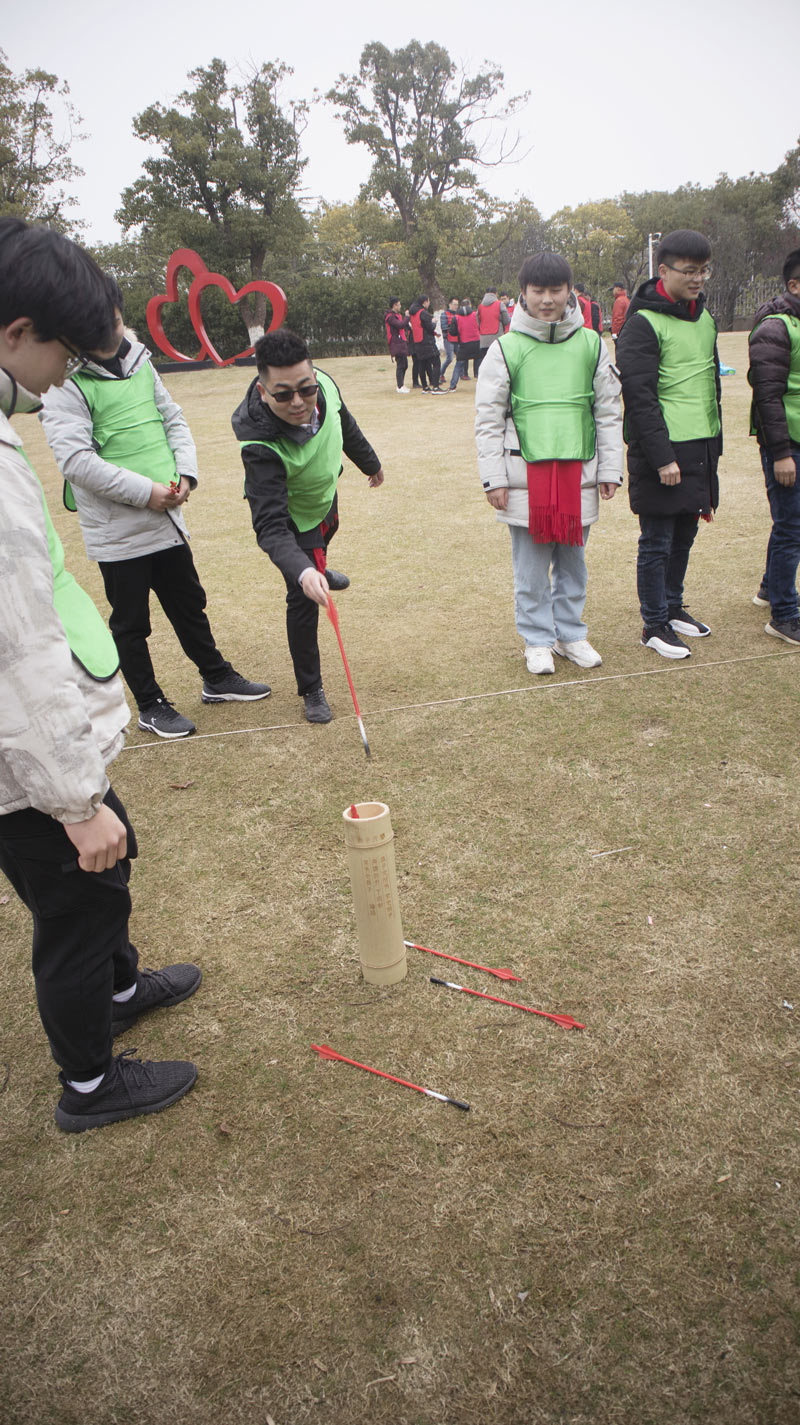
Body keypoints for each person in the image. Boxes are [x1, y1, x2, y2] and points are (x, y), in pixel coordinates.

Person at [0, 218, 200, 1133]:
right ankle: (89, 1084)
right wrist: (76, 799)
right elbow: (18, 652)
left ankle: (119, 988)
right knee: (79, 895)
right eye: (64, 352)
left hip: (41, 743)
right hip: (26, 756)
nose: (68, 373)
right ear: (16, 332)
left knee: (111, 865)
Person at [40, 281, 271, 739]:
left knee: (189, 603)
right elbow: (76, 461)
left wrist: (185, 474)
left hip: (166, 516)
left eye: (115, 320)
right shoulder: (62, 379)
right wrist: (145, 492)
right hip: (117, 529)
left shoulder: (140, 358)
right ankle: (149, 703)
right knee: (131, 622)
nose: (110, 333)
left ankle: (216, 677)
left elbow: (173, 418)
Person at [476, 251, 622, 673]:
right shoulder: (506, 347)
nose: (546, 299)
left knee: (574, 563)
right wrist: (494, 478)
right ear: (523, 293)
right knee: (532, 568)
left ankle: (570, 634)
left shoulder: (592, 343)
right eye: (537, 290)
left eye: (555, 290)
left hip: (580, 472)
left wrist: (611, 469)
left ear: (569, 291)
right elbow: (488, 419)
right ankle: (537, 639)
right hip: (525, 476)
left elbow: (608, 410)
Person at [232, 328, 385, 724]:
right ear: (264, 392)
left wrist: (370, 463)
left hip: (325, 504)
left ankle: (318, 567)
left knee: (322, 547)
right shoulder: (259, 447)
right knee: (303, 600)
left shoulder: (327, 389)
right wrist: (301, 570)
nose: (299, 402)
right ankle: (311, 688)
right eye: (283, 395)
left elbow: (344, 423)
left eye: (306, 388)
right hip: (294, 524)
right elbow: (269, 526)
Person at [616, 230, 721, 659]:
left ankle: (674, 607)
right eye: (689, 271)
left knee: (686, 532)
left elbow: (710, 383)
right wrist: (662, 458)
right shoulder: (642, 323)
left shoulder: (705, 317)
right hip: (663, 450)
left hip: (700, 444)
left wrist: (715, 444)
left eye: (703, 271)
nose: (698, 279)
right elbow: (639, 398)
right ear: (663, 271)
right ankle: (653, 623)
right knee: (657, 539)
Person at [747, 247, 800, 646]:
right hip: (788, 445)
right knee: (791, 526)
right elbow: (767, 396)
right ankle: (784, 613)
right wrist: (781, 453)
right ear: (794, 284)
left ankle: (769, 588)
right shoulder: (775, 328)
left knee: (790, 522)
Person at [408, 297, 441, 392]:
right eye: (428, 301)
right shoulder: (423, 313)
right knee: (436, 363)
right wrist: (434, 322)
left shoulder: (413, 314)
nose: (429, 303)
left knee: (422, 363)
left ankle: (425, 387)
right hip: (427, 342)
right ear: (424, 302)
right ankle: (435, 387)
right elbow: (430, 327)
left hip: (417, 342)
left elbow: (420, 327)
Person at [449, 302, 481, 391]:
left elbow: (452, 332)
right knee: (480, 365)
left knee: (458, 365)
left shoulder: (456, 318)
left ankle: (452, 386)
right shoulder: (475, 315)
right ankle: (482, 384)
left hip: (464, 344)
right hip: (476, 343)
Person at [476, 287, 511, 370]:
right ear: (496, 294)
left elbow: (478, 322)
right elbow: (506, 321)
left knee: (486, 364)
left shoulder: (480, 306)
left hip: (483, 340)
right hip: (497, 338)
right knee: (498, 365)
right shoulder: (500, 304)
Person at [385, 297, 410, 393]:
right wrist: (407, 317)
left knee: (405, 364)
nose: (400, 306)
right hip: (396, 343)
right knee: (401, 364)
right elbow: (400, 325)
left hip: (401, 342)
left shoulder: (396, 315)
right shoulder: (390, 317)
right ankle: (399, 386)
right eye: (399, 305)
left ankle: (401, 384)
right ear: (394, 305)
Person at [440, 298, 460, 382]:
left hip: (457, 339)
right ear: (450, 304)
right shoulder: (444, 314)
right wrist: (454, 328)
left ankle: (461, 374)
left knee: (460, 357)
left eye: (457, 305)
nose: (456, 306)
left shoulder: (458, 315)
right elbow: (444, 327)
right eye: (454, 304)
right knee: (450, 358)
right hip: (448, 339)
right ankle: (441, 374)